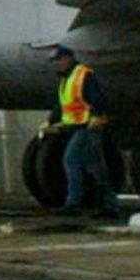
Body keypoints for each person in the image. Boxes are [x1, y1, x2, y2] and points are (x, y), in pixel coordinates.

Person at [53, 46, 114, 216]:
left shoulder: (82, 75)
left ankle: (73, 203)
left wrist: (98, 115)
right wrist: (50, 121)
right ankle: (109, 205)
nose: (57, 63)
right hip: (78, 127)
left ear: (68, 58)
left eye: (59, 59)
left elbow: (97, 97)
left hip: (87, 127)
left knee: (70, 160)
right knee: (94, 166)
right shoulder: (66, 79)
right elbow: (63, 106)